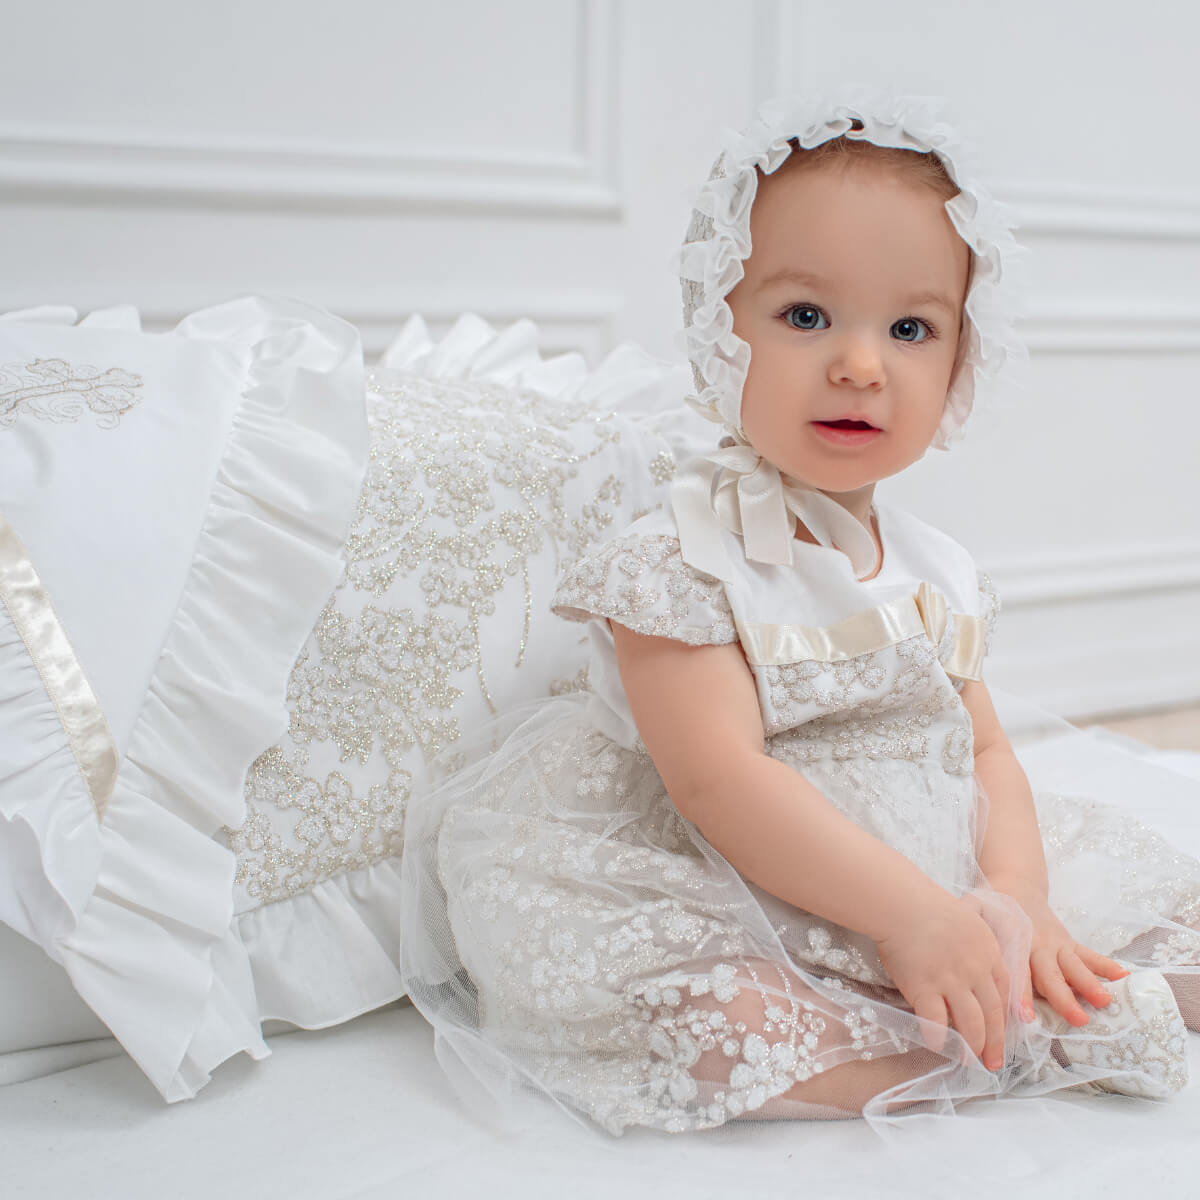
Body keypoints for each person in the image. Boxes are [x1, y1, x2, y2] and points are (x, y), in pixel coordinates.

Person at [399, 91, 1200, 1133]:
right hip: (722, 871)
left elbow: (987, 751)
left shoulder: (935, 569)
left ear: (960, 364)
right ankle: (994, 1050)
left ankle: (1017, 997)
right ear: (719, 331)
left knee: (1142, 917)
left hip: (923, 854)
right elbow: (716, 778)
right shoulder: (679, 558)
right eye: (806, 316)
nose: (860, 364)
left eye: (910, 328)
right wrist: (908, 917)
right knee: (697, 1011)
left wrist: (1016, 899)